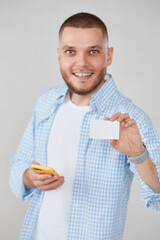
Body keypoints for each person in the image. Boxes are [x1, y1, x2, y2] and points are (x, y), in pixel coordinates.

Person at [10, 12, 160, 240]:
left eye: (93, 51)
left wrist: (139, 155)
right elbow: (18, 166)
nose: (81, 63)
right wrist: (29, 178)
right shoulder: (46, 102)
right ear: (59, 56)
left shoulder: (130, 120)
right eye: (70, 51)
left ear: (108, 55)